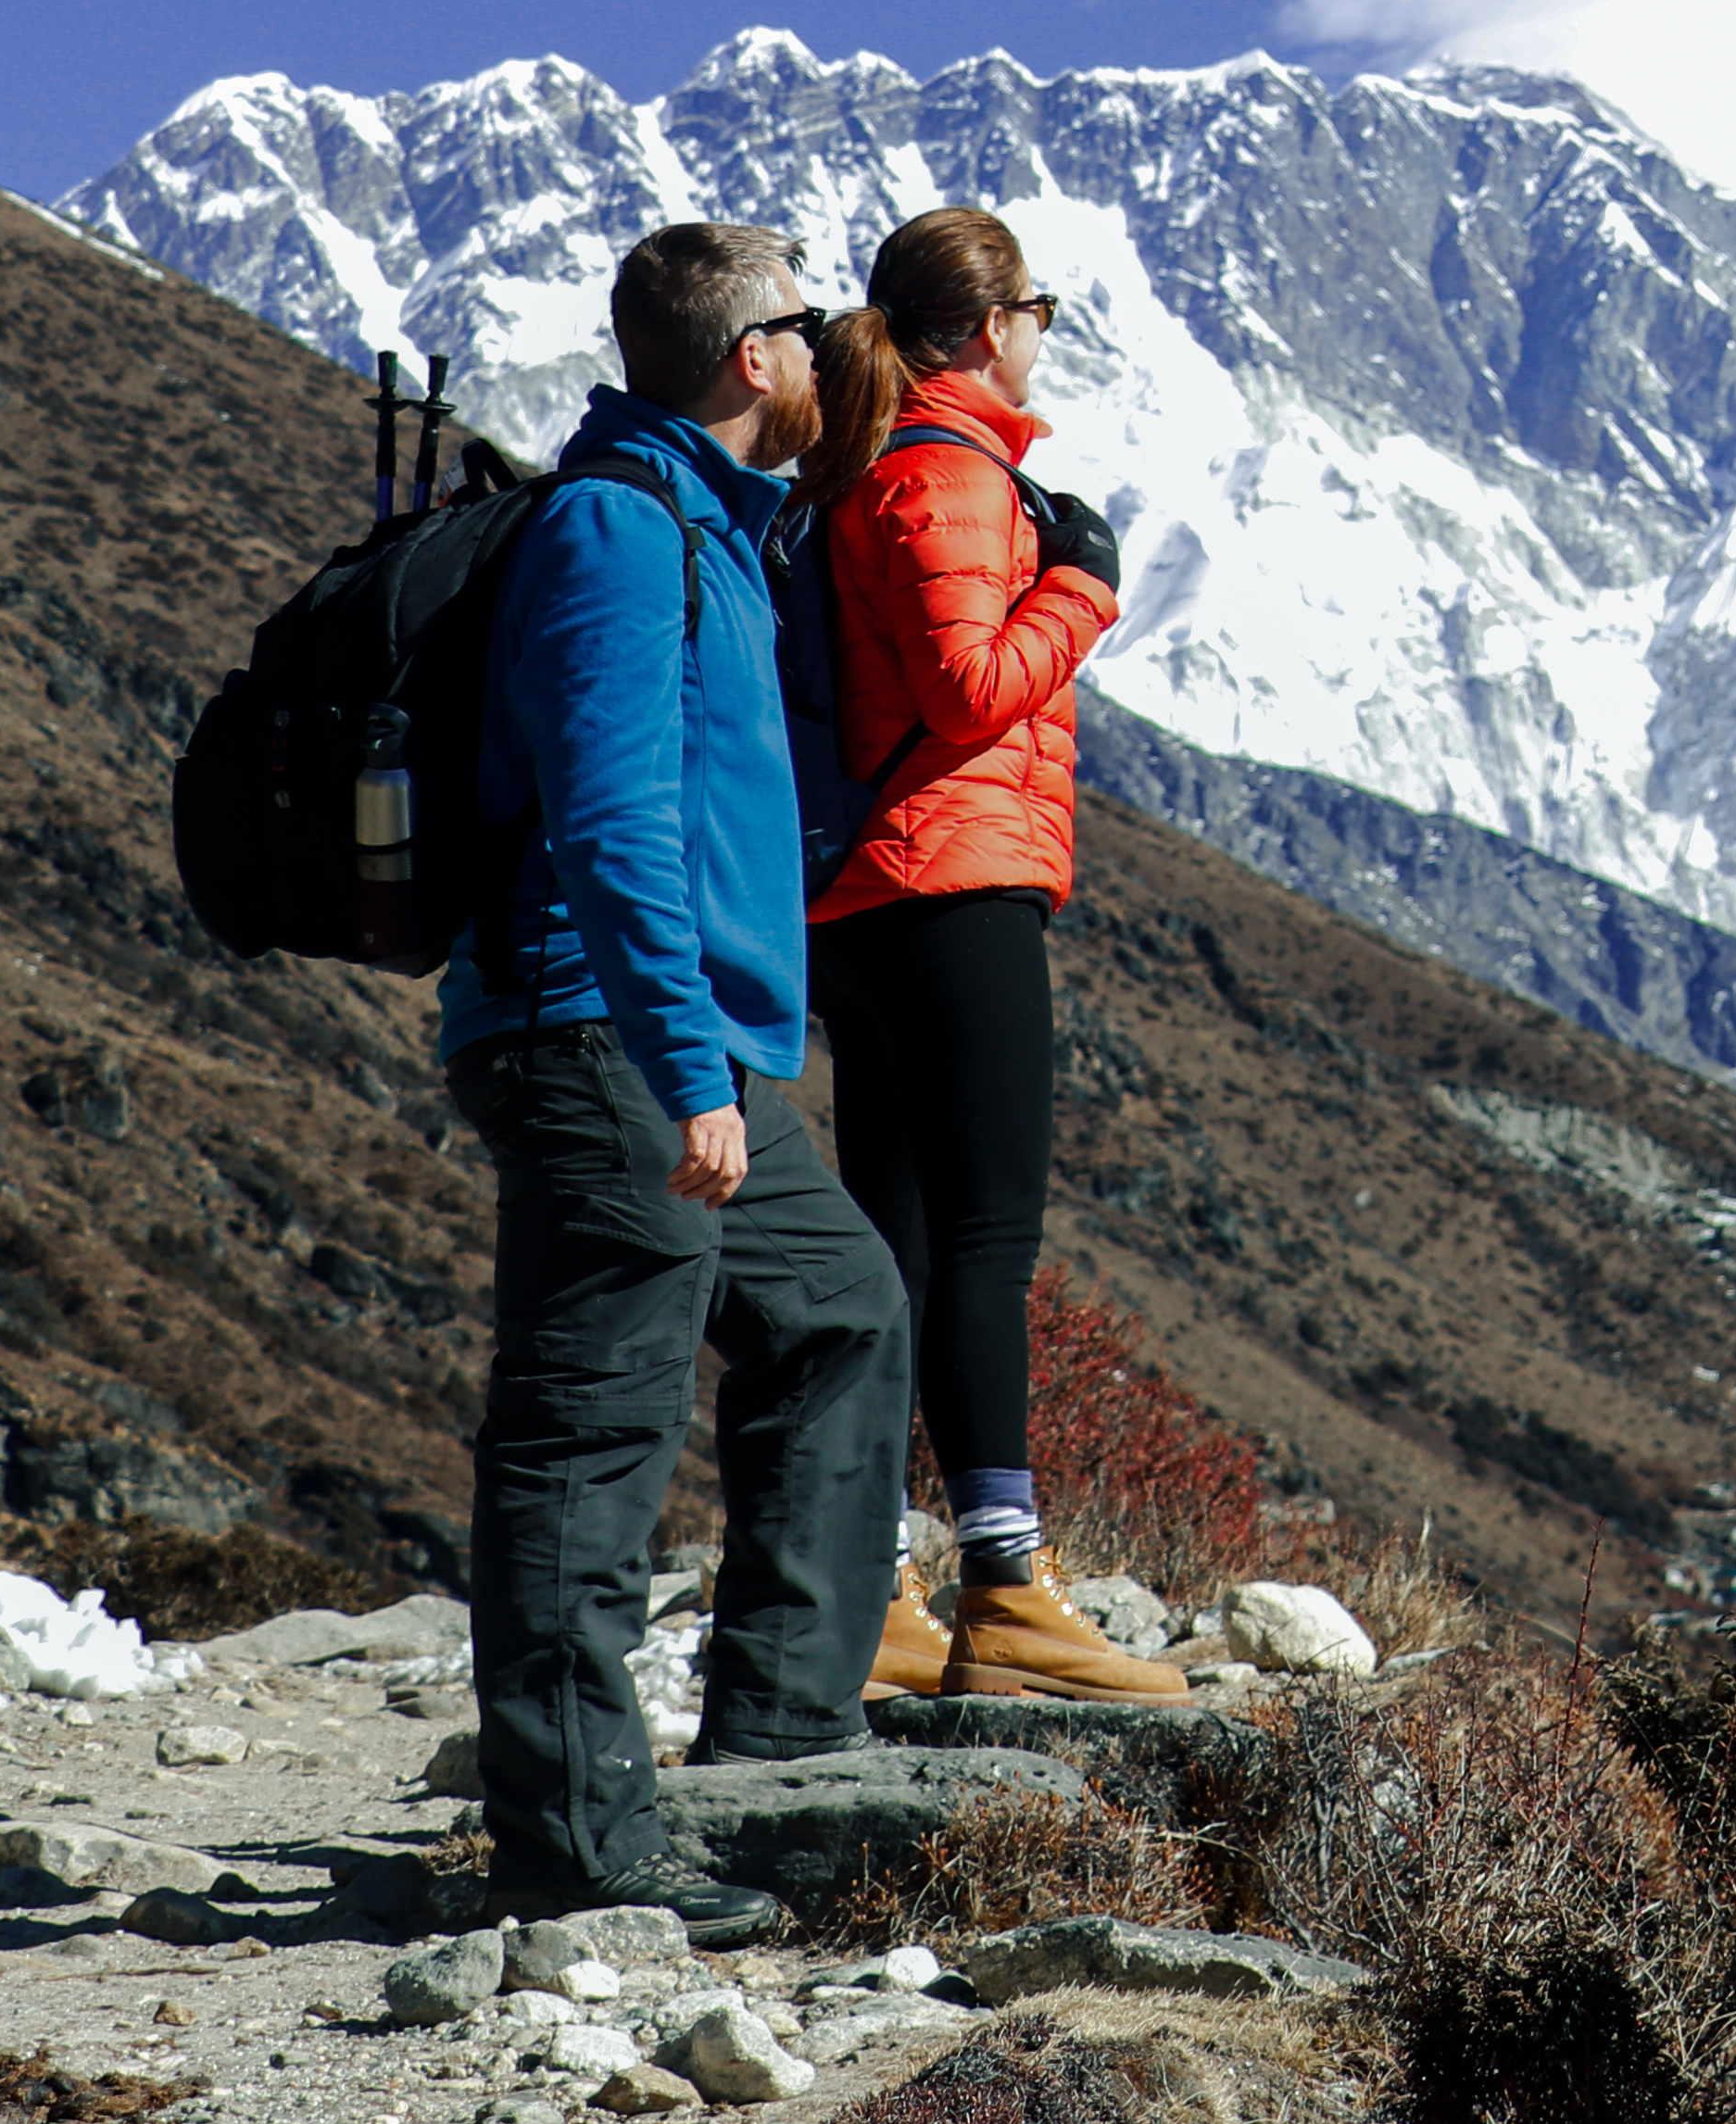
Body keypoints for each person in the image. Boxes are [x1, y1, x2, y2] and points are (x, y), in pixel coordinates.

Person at [447, 220, 912, 1940]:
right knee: (589, 1426)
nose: (827, 355)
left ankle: (780, 1753)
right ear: (747, 359)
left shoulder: (718, 529)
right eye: (807, 329)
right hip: (603, 1035)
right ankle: (575, 1845)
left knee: (841, 1306)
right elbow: (612, 819)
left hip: (679, 1042)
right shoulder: (617, 533)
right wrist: (686, 1063)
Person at [799, 203, 1188, 1703]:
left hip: (869, 902)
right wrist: (1081, 586)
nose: (1040, 336)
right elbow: (969, 691)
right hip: (956, 886)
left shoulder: (868, 470)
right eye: (1035, 310)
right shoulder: (950, 478)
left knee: (895, 1248)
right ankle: (1007, 1593)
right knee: (982, 1244)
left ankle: (876, 1584)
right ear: (979, 328)